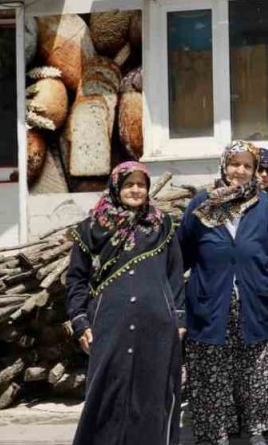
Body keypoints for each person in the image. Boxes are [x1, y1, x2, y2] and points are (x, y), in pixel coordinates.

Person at [66, 162, 183, 445]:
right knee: (106, 391)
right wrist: (80, 322)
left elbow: (175, 274)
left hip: (156, 327)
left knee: (152, 393)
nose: (135, 190)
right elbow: (77, 279)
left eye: (141, 185)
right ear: (117, 187)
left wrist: (179, 320)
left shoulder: (161, 224)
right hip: (108, 324)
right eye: (129, 184)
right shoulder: (91, 228)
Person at [179, 141, 268, 445]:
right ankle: (216, 434)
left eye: (247, 166)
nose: (240, 170)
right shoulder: (202, 204)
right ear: (223, 165)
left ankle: (255, 429)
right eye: (234, 164)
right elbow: (181, 254)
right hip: (210, 301)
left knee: (255, 372)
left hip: (255, 301)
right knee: (212, 372)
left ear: (254, 171)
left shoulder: (264, 205)